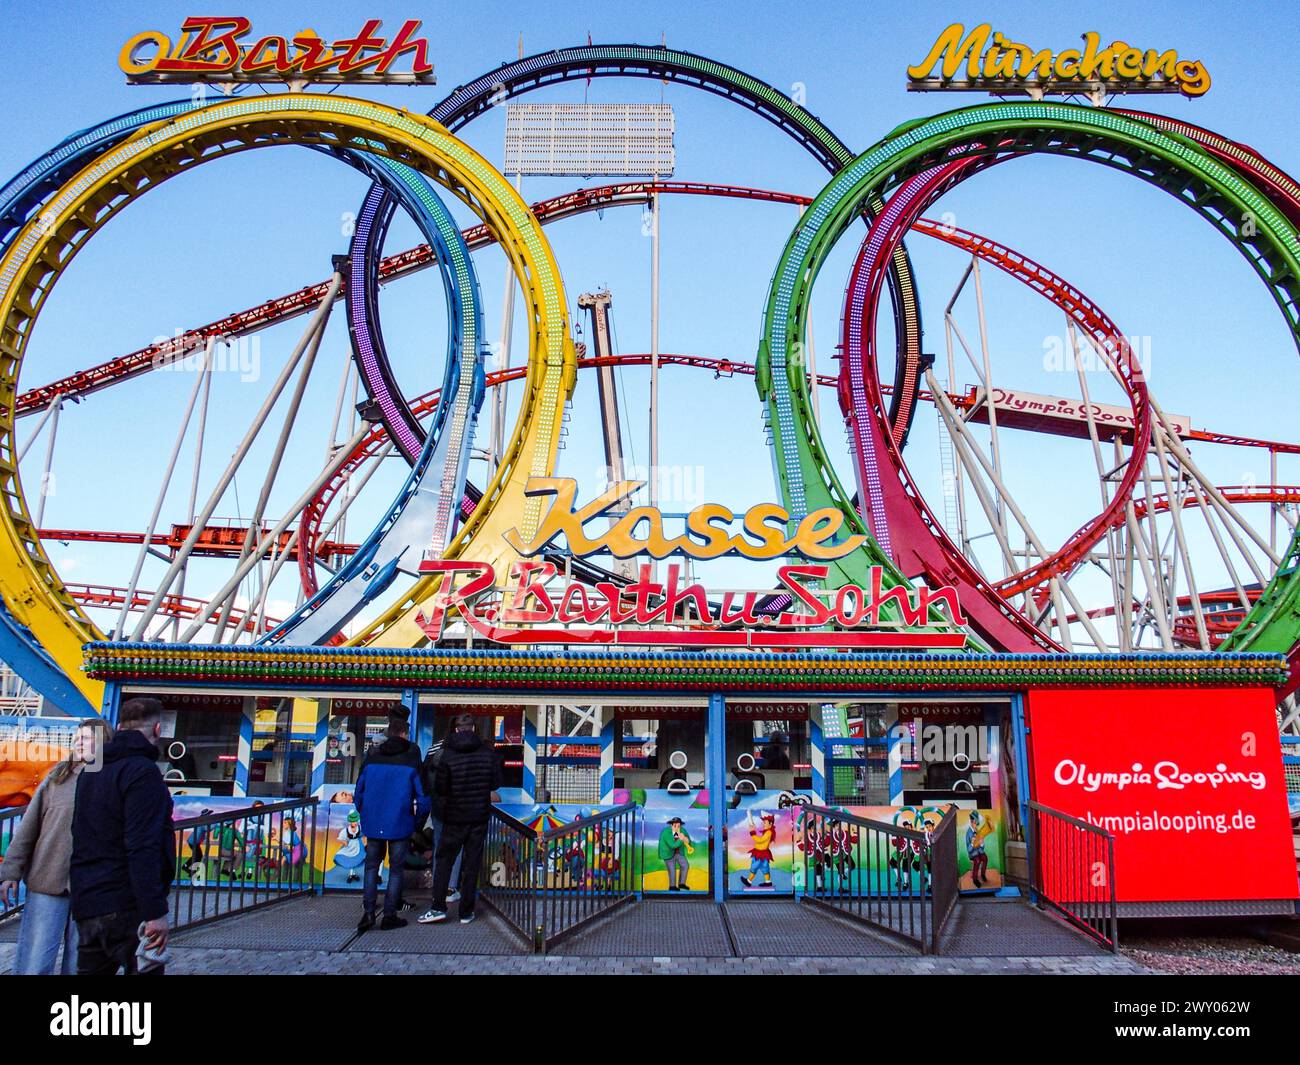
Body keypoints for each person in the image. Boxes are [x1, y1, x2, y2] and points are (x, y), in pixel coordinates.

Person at [70, 697, 175, 975]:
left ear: (119, 726)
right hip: (128, 903)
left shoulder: (91, 769)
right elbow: (143, 845)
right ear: (157, 730)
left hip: (88, 898)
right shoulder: (143, 773)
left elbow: (80, 830)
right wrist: (154, 911)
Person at [0, 718, 114, 975]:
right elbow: (28, 828)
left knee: (79, 966)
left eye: (86, 738)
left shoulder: (114, 781)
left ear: (103, 742)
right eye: (77, 737)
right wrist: (10, 872)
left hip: (93, 888)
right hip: (47, 882)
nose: (78, 742)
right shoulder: (57, 778)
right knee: (35, 963)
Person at [418, 714, 502, 925]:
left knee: (445, 860)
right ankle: (467, 912)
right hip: (479, 816)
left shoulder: (447, 754)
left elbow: (441, 787)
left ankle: (438, 906)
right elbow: (495, 782)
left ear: (456, 729)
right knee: (472, 864)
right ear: (474, 728)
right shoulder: (487, 753)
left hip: (454, 816)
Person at [353, 716, 428, 932]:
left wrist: (364, 812)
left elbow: (358, 792)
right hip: (400, 822)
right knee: (396, 870)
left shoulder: (371, 760)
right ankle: (389, 915)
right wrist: (416, 822)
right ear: (405, 733)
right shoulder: (411, 761)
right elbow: (423, 799)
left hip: (373, 821)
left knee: (371, 867)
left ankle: (368, 913)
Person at [419, 738, 461, 905]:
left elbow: (424, 780)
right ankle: (451, 887)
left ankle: (438, 887)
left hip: (437, 806)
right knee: (457, 846)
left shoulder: (433, 750)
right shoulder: (463, 751)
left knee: (439, 845)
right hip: (459, 806)